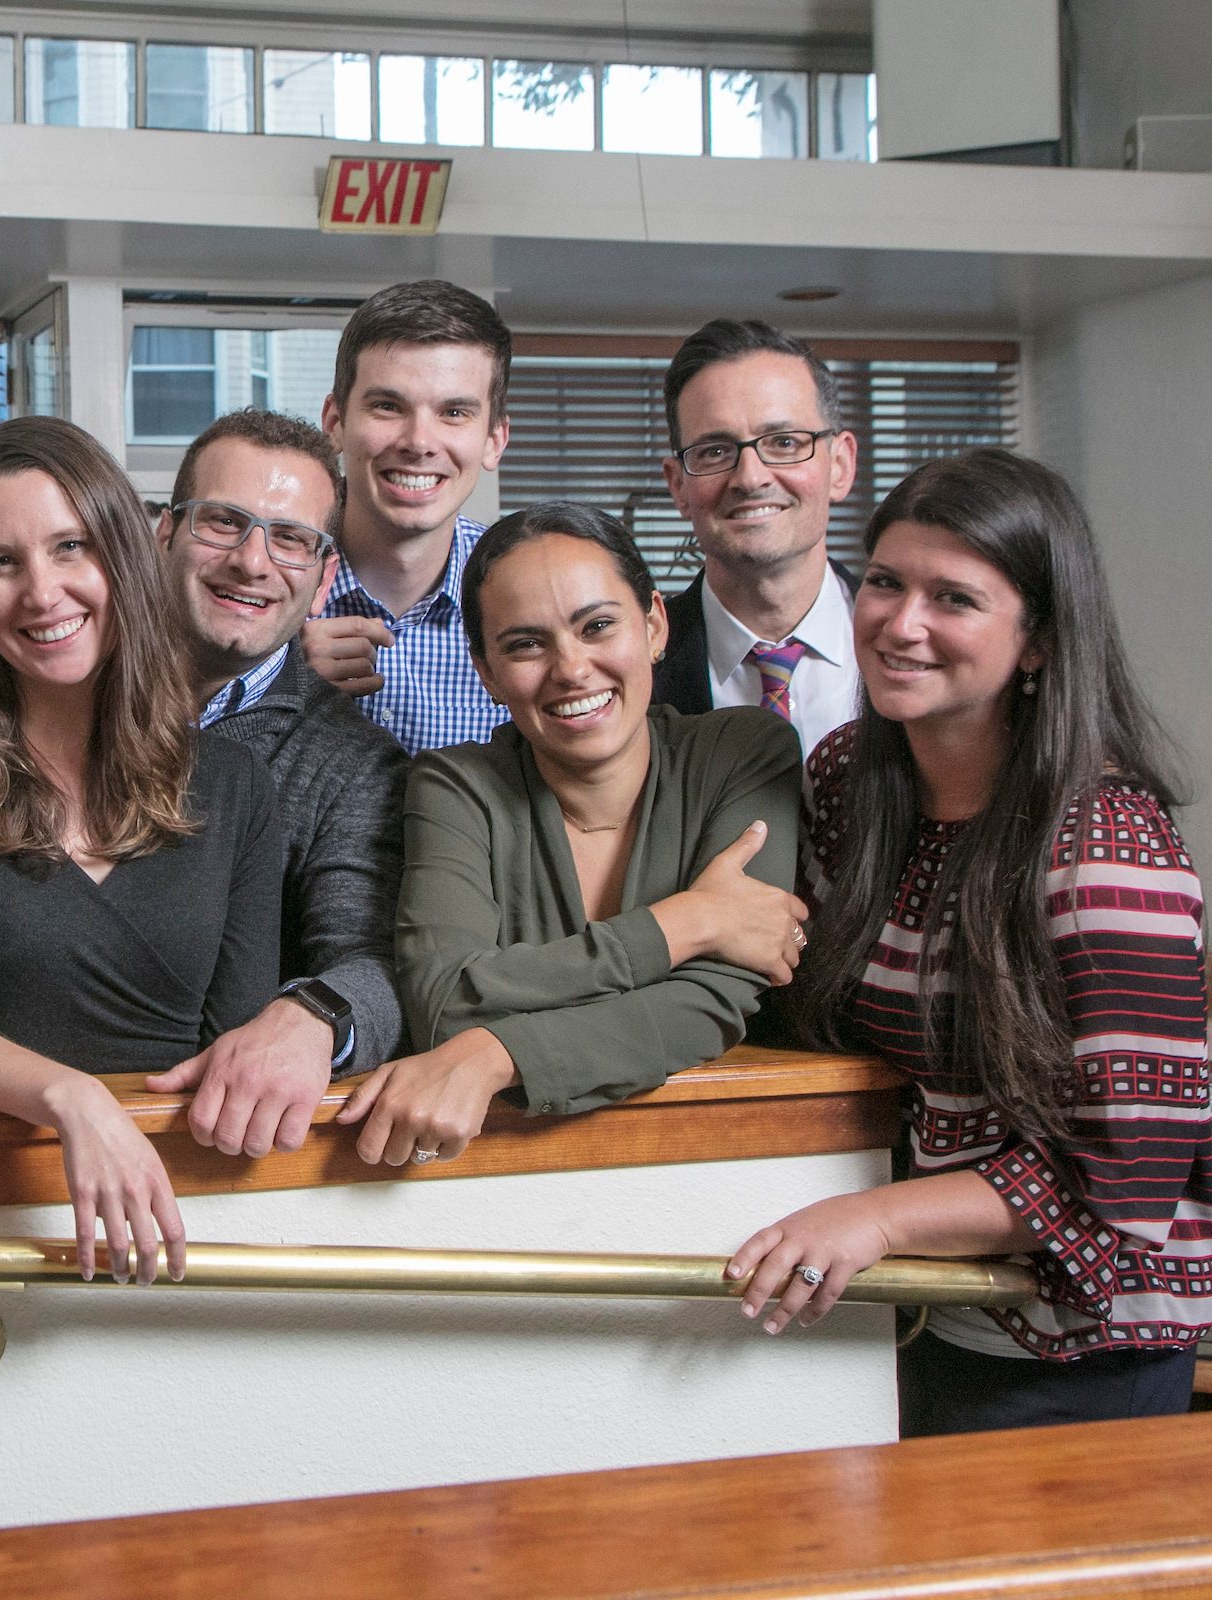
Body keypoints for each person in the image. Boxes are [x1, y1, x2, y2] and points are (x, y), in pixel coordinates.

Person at [725, 448, 1210, 1437]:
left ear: (1036, 643)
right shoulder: (850, 778)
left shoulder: (1106, 843)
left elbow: (1127, 1167)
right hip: (918, 1315)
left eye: (954, 598)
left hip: (1085, 1345)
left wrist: (878, 1217)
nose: (903, 623)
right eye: (890, 583)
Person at [0, 416, 282, 1284]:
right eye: (0, 563)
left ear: (124, 555)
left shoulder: (235, 786)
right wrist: (75, 1100)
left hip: (177, 1212)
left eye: (70, 547)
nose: (41, 592)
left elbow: (232, 1047)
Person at [341, 502, 804, 1168]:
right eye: (526, 643)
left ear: (653, 626)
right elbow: (443, 1006)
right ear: (487, 672)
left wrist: (499, 1052)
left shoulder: (743, 753)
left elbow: (712, 1001)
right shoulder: (455, 786)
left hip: (708, 1169)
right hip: (498, 1177)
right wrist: (690, 923)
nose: (571, 668)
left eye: (599, 626)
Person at [139, 409, 411, 1159]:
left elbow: (375, 959)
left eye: (290, 538)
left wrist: (316, 1014)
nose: (253, 562)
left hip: (206, 1149)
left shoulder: (356, 765)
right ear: (164, 535)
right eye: (224, 522)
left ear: (324, 578)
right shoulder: (58, 698)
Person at [300, 279, 513, 753]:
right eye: (388, 406)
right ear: (335, 422)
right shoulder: (262, 583)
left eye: (454, 412)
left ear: (495, 439)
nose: (418, 442)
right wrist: (276, 680)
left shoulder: (523, 595)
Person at [654, 319, 862, 756]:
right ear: (678, 487)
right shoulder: (634, 669)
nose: (750, 478)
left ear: (840, 465)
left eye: (784, 442)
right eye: (714, 451)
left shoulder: (913, 645)